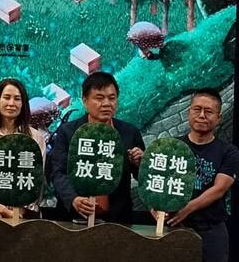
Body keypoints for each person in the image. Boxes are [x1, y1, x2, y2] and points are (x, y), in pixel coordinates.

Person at [46, 72, 145, 224]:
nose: (106, 103)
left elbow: (142, 177)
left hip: (117, 220)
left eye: (112, 98)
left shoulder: (130, 133)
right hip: (74, 218)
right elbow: (57, 172)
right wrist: (73, 199)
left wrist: (140, 164)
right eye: (99, 98)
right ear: (85, 101)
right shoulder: (68, 132)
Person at [162, 88, 238, 262]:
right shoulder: (171, 147)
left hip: (211, 230)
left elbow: (219, 189)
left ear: (218, 118)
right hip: (175, 227)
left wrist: (187, 209)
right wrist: (157, 208)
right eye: (197, 109)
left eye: (208, 111)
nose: (202, 115)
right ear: (189, 113)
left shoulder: (229, 152)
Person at [0, 78, 46, 218]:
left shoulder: (36, 138)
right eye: (7, 97)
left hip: (25, 217)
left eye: (17, 99)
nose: (11, 103)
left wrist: (20, 211)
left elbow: (37, 180)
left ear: (23, 104)